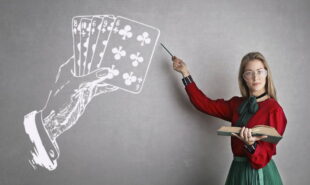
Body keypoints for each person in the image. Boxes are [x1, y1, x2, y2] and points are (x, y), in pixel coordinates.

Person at [172, 52, 287, 185]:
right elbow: (204, 104)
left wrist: (251, 145)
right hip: (237, 171)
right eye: (249, 73)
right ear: (243, 78)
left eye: (260, 71)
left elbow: (261, 159)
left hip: (260, 174)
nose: (255, 77)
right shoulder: (236, 104)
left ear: (267, 74)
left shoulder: (274, 110)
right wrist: (185, 73)